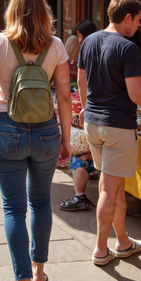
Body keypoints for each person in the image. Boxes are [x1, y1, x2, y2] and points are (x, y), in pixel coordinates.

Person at [0, 0, 72, 281]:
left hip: (8, 129)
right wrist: (66, 138)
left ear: (12, 12)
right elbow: (62, 96)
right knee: (42, 202)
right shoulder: (56, 45)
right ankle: (40, 271)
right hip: (46, 130)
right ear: (45, 13)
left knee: (13, 209)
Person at [78, 0, 141, 266]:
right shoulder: (128, 47)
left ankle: (122, 242)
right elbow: (136, 95)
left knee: (113, 186)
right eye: (138, 20)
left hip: (94, 123)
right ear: (126, 18)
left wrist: (88, 107)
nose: (139, 25)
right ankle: (101, 249)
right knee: (109, 191)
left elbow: (81, 81)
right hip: (117, 126)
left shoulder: (88, 41)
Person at [60, 21, 101, 212]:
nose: (80, 41)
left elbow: (81, 79)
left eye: (81, 36)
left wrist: (84, 108)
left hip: (95, 109)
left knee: (81, 156)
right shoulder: (112, 46)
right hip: (111, 111)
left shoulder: (88, 49)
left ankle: (79, 196)